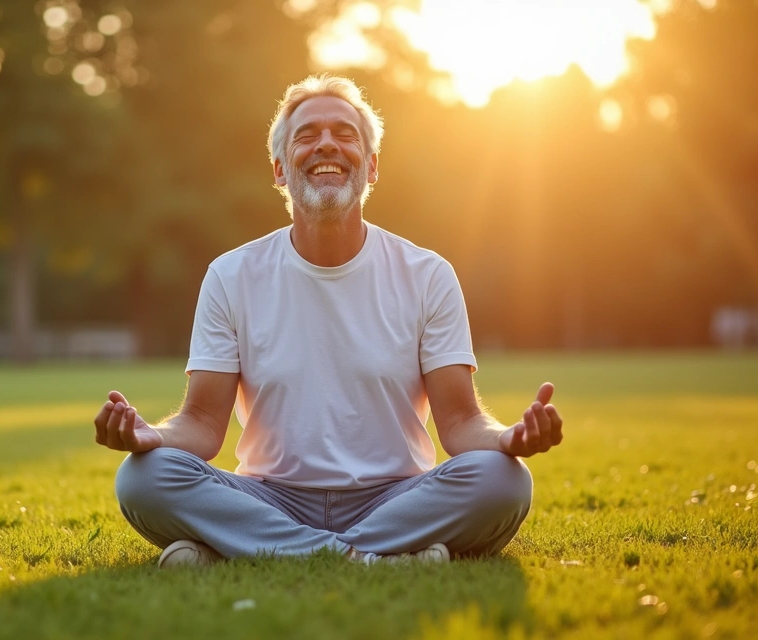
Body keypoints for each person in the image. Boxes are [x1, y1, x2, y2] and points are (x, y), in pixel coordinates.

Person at [92, 75, 563, 568]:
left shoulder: (428, 275)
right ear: (279, 168)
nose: (326, 145)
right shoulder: (231, 275)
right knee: (142, 477)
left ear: (372, 165)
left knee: (504, 479)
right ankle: (371, 556)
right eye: (306, 135)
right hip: (268, 497)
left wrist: (505, 439)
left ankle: (245, 551)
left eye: (345, 133)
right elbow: (204, 423)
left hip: (397, 498)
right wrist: (152, 436)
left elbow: (462, 422)